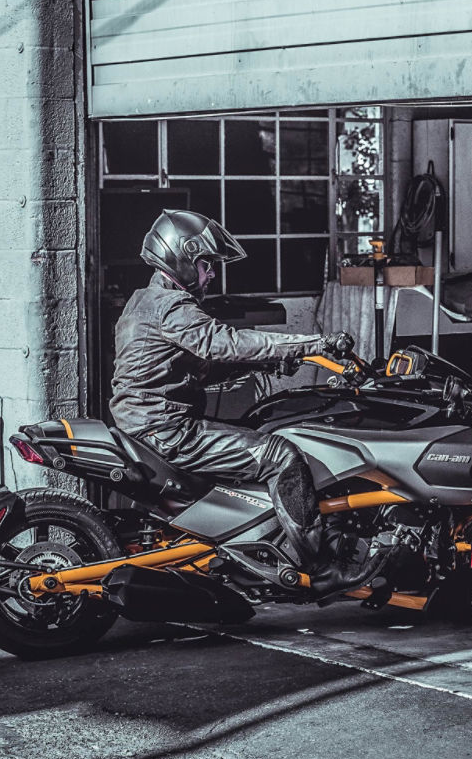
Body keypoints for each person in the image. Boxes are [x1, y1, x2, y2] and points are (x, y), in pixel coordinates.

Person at [110, 209, 354, 588]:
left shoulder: (143, 301)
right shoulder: (171, 307)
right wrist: (312, 343)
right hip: (169, 430)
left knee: (257, 429)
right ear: (182, 257)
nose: (210, 274)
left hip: (145, 423)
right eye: (206, 264)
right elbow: (225, 343)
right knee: (280, 456)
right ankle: (321, 567)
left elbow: (197, 367)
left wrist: (271, 364)